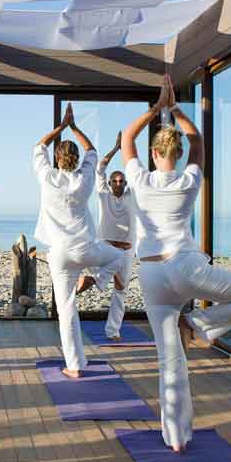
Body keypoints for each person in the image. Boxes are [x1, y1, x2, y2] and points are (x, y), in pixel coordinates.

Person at [122, 73, 231, 453]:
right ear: (175, 153)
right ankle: (198, 323)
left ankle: (175, 440)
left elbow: (126, 138)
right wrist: (175, 110)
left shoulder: (139, 179)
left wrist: (156, 108)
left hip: (152, 274)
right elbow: (197, 141)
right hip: (185, 267)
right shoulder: (189, 179)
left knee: (170, 364)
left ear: (155, 153)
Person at [33, 104, 126, 378]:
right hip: (87, 249)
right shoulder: (84, 179)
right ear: (75, 160)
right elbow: (92, 151)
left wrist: (61, 127)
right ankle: (96, 281)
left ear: (57, 159)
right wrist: (74, 127)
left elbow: (39, 146)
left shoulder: (48, 177)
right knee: (120, 257)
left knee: (66, 311)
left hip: (60, 254)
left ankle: (74, 366)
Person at [95, 131, 136, 341]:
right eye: (115, 181)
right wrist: (116, 148)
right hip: (106, 249)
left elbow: (137, 173)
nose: (118, 183)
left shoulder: (132, 196)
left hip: (127, 251)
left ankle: (113, 331)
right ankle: (98, 280)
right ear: (110, 183)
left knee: (121, 290)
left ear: (125, 183)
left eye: (121, 181)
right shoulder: (103, 195)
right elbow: (100, 168)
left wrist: (128, 150)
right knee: (102, 278)